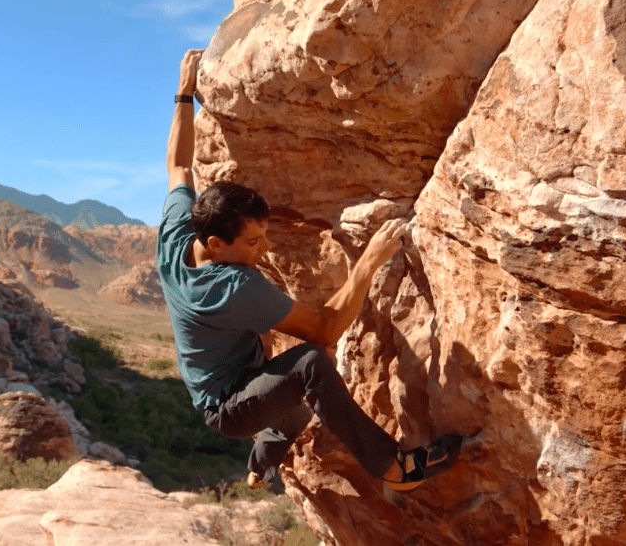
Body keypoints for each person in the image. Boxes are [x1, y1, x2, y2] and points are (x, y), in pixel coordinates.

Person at [158, 49, 460, 491]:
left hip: (233, 381)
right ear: (217, 244)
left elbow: (178, 165)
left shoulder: (176, 235)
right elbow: (322, 332)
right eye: (255, 242)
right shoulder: (231, 286)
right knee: (310, 366)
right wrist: (367, 264)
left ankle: (260, 468)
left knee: (292, 412)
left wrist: (184, 94)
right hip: (226, 408)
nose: (267, 248)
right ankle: (395, 470)